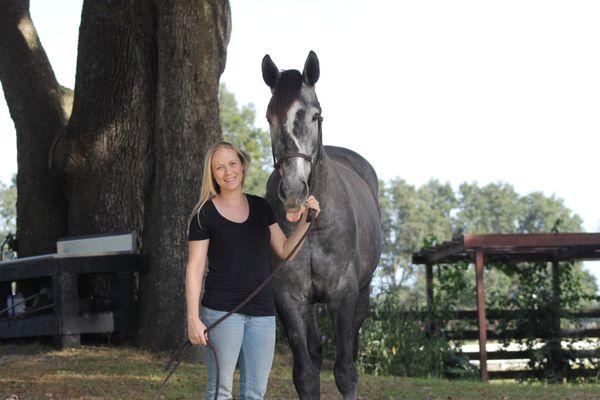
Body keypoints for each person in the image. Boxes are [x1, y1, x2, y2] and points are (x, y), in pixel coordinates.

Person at [185, 141, 320, 400]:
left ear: (242, 166)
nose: (228, 172)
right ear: (212, 175)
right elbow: (195, 268)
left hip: (262, 315)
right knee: (220, 391)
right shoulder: (204, 215)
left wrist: (306, 221)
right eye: (219, 168)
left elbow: (284, 251)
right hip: (221, 312)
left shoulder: (261, 208)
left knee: (255, 394)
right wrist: (193, 318)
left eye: (232, 164)